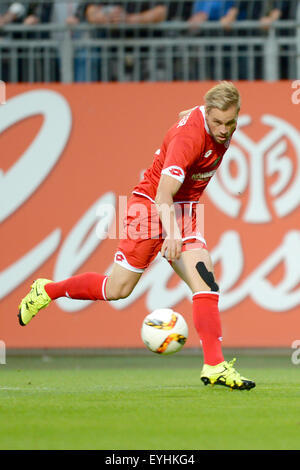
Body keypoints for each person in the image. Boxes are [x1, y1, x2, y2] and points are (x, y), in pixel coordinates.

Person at [18, 81, 255, 391]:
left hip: (183, 210)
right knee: (117, 289)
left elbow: (198, 115)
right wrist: (171, 234)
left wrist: (199, 117)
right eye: (217, 122)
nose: (224, 130)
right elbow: (163, 193)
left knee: (206, 283)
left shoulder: (211, 118)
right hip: (149, 208)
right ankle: (48, 290)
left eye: (230, 122)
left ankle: (214, 365)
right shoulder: (189, 138)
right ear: (207, 114)